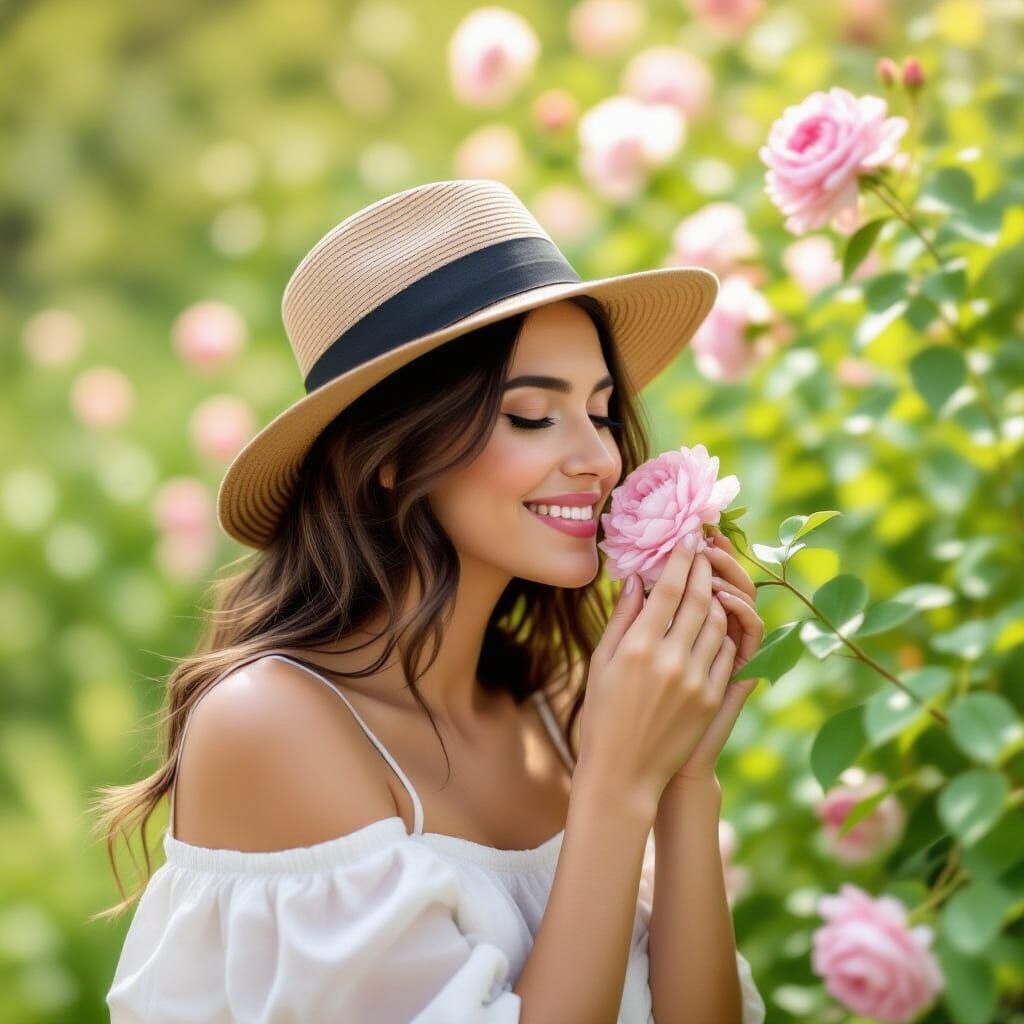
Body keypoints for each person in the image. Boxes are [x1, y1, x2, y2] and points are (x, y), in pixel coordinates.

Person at [98, 178, 767, 1022]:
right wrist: (617, 784)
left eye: (601, 412)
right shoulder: (271, 726)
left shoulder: (559, 712)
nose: (600, 457)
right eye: (531, 416)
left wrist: (682, 778)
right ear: (389, 452)